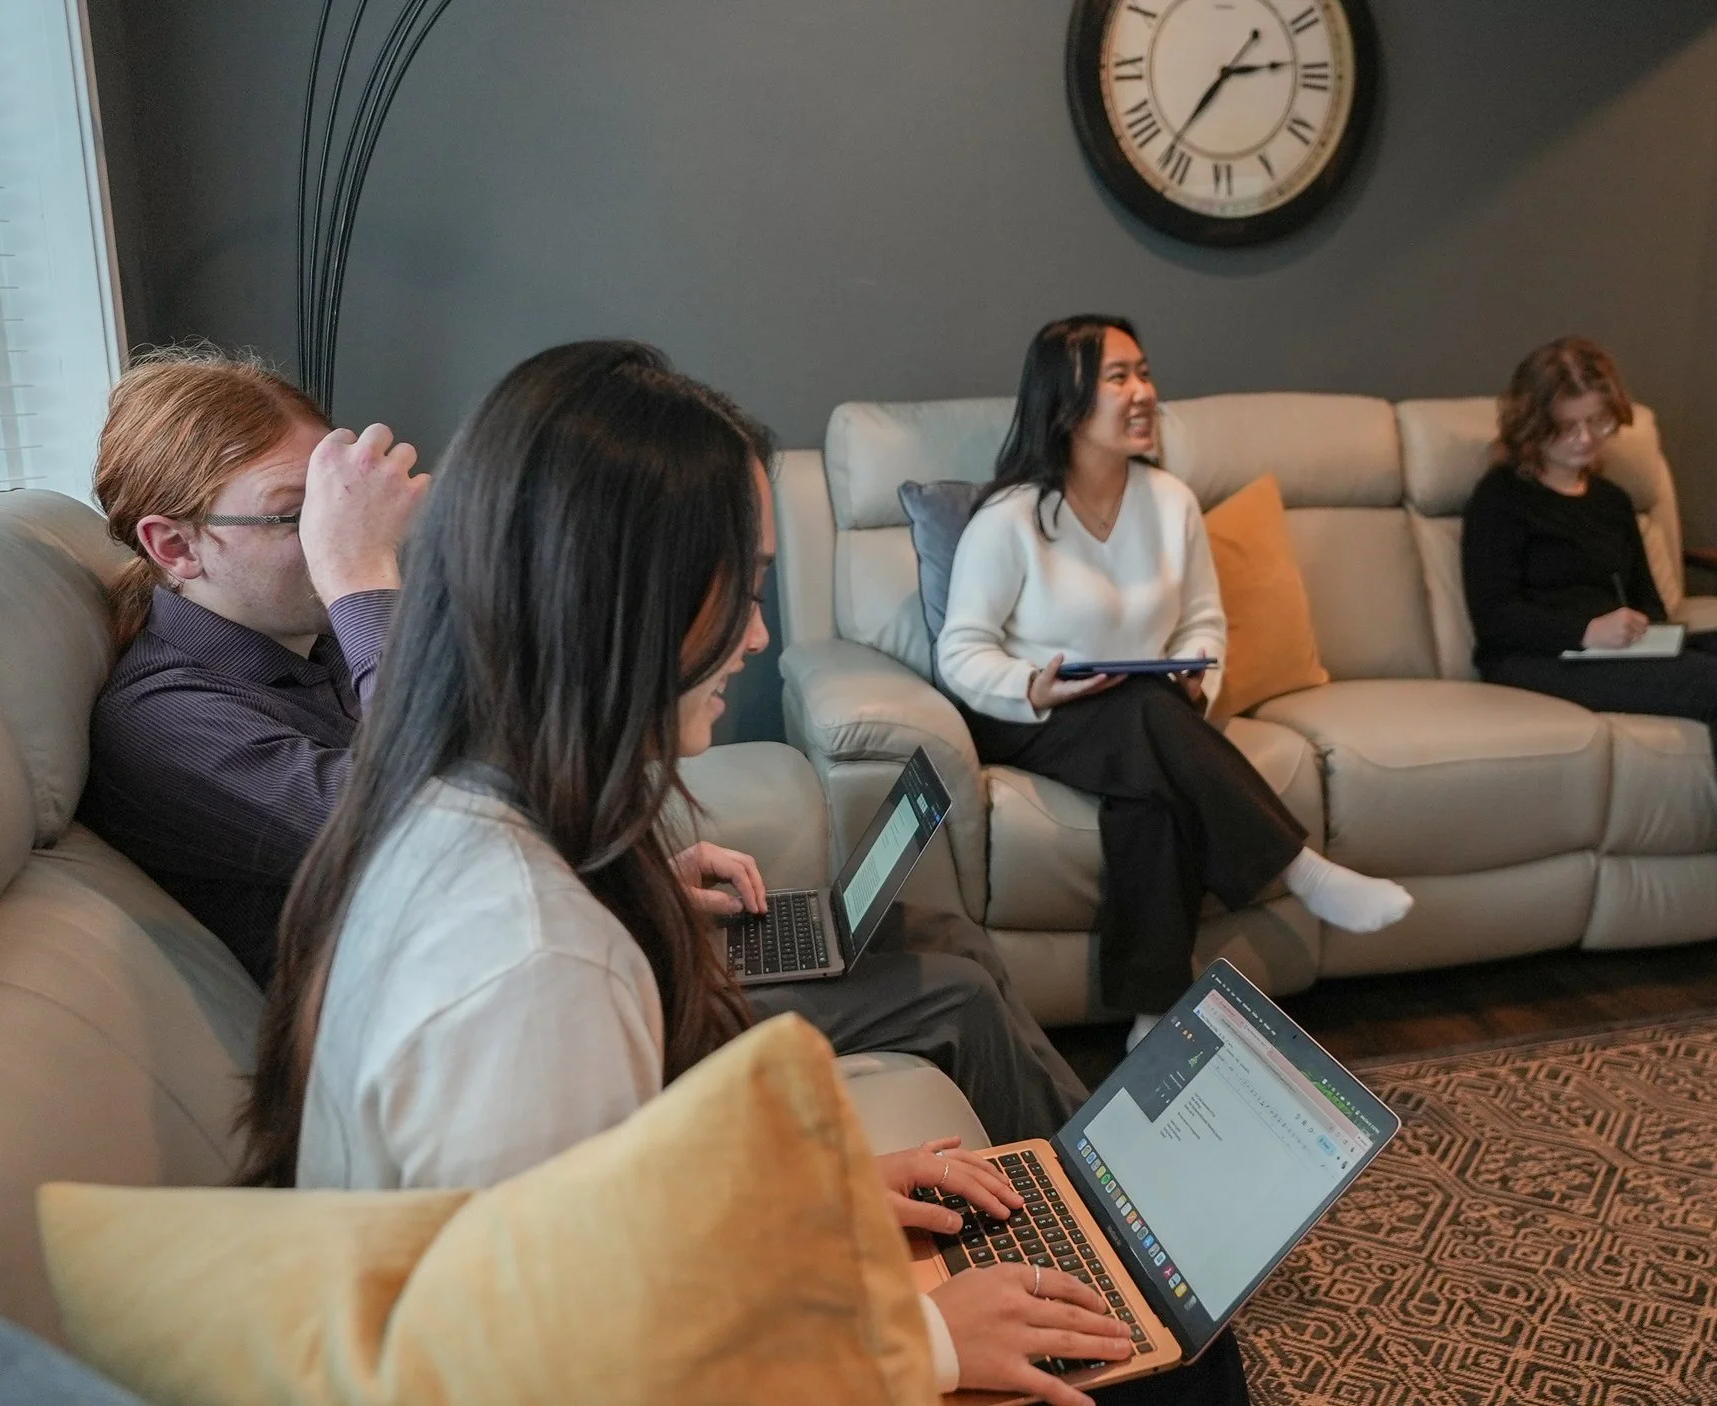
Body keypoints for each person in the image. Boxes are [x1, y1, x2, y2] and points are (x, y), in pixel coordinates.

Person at [238, 342, 1165, 1406]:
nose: (760, 636)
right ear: (624, 595)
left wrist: (807, 1196)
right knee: (1145, 1364)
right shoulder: (535, 965)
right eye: (751, 585)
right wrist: (920, 1338)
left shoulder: (448, 808)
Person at [78, 346, 1084, 1143]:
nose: (331, 535)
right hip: (436, 1034)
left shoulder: (312, 648)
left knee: (937, 936)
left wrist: (632, 870)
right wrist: (357, 577)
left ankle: (1101, 1209)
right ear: (175, 545)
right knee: (946, 992)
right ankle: (1110, 1267)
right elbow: (424, 832)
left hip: (478, 975)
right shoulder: (165, 718)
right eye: (298, 517)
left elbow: (492, 791)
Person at [937, 315, 1413, 1049]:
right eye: (1118, 378)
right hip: (1031, 712)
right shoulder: (1011, 519)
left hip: (1147, 710)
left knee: (1151, 788)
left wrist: (1199, 678)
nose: (1143, 393)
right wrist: (1033, 686)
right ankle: (1301, 867)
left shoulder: (1171, 503)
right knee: (1142, 714)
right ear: (1064, 402)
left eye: (1145, 374)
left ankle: (1154, 1017)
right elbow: (961, 651)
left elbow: (1203, 623)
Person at [1458, 337, 1717, 994]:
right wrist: (1585, 629)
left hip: (1618, 648)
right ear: (1531, 424)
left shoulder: (1610, 501)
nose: (1584, 440)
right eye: (1566, 427)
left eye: (1597, 423)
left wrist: (1649, 636)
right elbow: (1494, 616)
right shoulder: (1501, 497)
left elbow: (1650, 601)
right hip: (1537, 659)